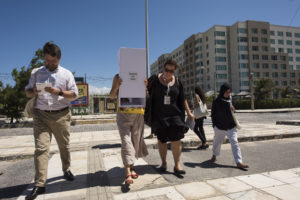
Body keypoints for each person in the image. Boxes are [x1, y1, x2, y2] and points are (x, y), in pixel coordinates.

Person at [25, 42, 78, 200]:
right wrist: (33, 91)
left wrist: (59, 92)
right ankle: (40, 184)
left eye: (53, 62)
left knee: (64, 145)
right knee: (41, 149)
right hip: (41, 115)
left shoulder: (66, 74)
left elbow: (74, 95)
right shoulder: (36, 72)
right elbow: (27, 92)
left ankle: (66, 169)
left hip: (61, 115)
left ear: (59, 59)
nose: (49, 64)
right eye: (47, 61)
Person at [148, 59, 188, 175]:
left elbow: (182, 98)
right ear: (163, 68)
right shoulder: (155, 80)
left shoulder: (178, 82)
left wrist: (188, 113)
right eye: (167, 70)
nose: (169, 73)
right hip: (159, 116)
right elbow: (145, 90)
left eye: (171, 71)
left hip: (175, 115)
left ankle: (177, 165)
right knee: (162, 141)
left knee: (176, 140)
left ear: (174, 71)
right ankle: (164, 163)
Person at [109, 74, 148, 185]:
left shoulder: (141, 76)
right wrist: (117, 86)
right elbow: (111, 96)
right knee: (126, 142)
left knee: (135, 142)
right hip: (123, 114)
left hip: (138, 115)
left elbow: (145, 97)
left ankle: (132, 167)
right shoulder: (117, 77)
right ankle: (127, 172)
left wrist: (145, 88)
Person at [210, 83, 249, 169]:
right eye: (227, 92)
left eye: (229, 92)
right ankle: (214, 156)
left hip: (231, 126)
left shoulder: (230, 99)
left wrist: (233, 110)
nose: (228, 94)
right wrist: (214, 126)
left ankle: (239, 162)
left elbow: (233, 112)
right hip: (220, 127)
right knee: (217, 143)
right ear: (223, 91)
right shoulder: (216, 101)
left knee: (235, 143)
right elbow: (213, 114)